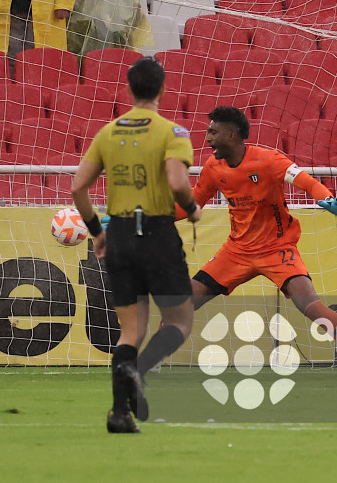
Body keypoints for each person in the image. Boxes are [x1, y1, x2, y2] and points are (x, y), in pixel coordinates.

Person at [183, 106, 337, 379]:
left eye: (213, 132)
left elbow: (306, 181)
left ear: (232, 134)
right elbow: (190, 205)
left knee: (311, 306)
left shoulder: (268, 160)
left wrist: (326, 198)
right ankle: (151, 358)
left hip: (277, 248)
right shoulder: (213, 168)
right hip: (237, 251)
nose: (208, 138)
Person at [72, 56, 202, 433]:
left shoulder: (107, 133)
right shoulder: (172, 132)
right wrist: (193, 208)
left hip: (119, 235)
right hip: (157, 232)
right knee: (180, 320)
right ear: (163, 89)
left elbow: (78, 188)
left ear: (128, 90)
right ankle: (139, 370)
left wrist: (97, 232)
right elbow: (177, 182)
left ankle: (119, 414)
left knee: (130, 331)